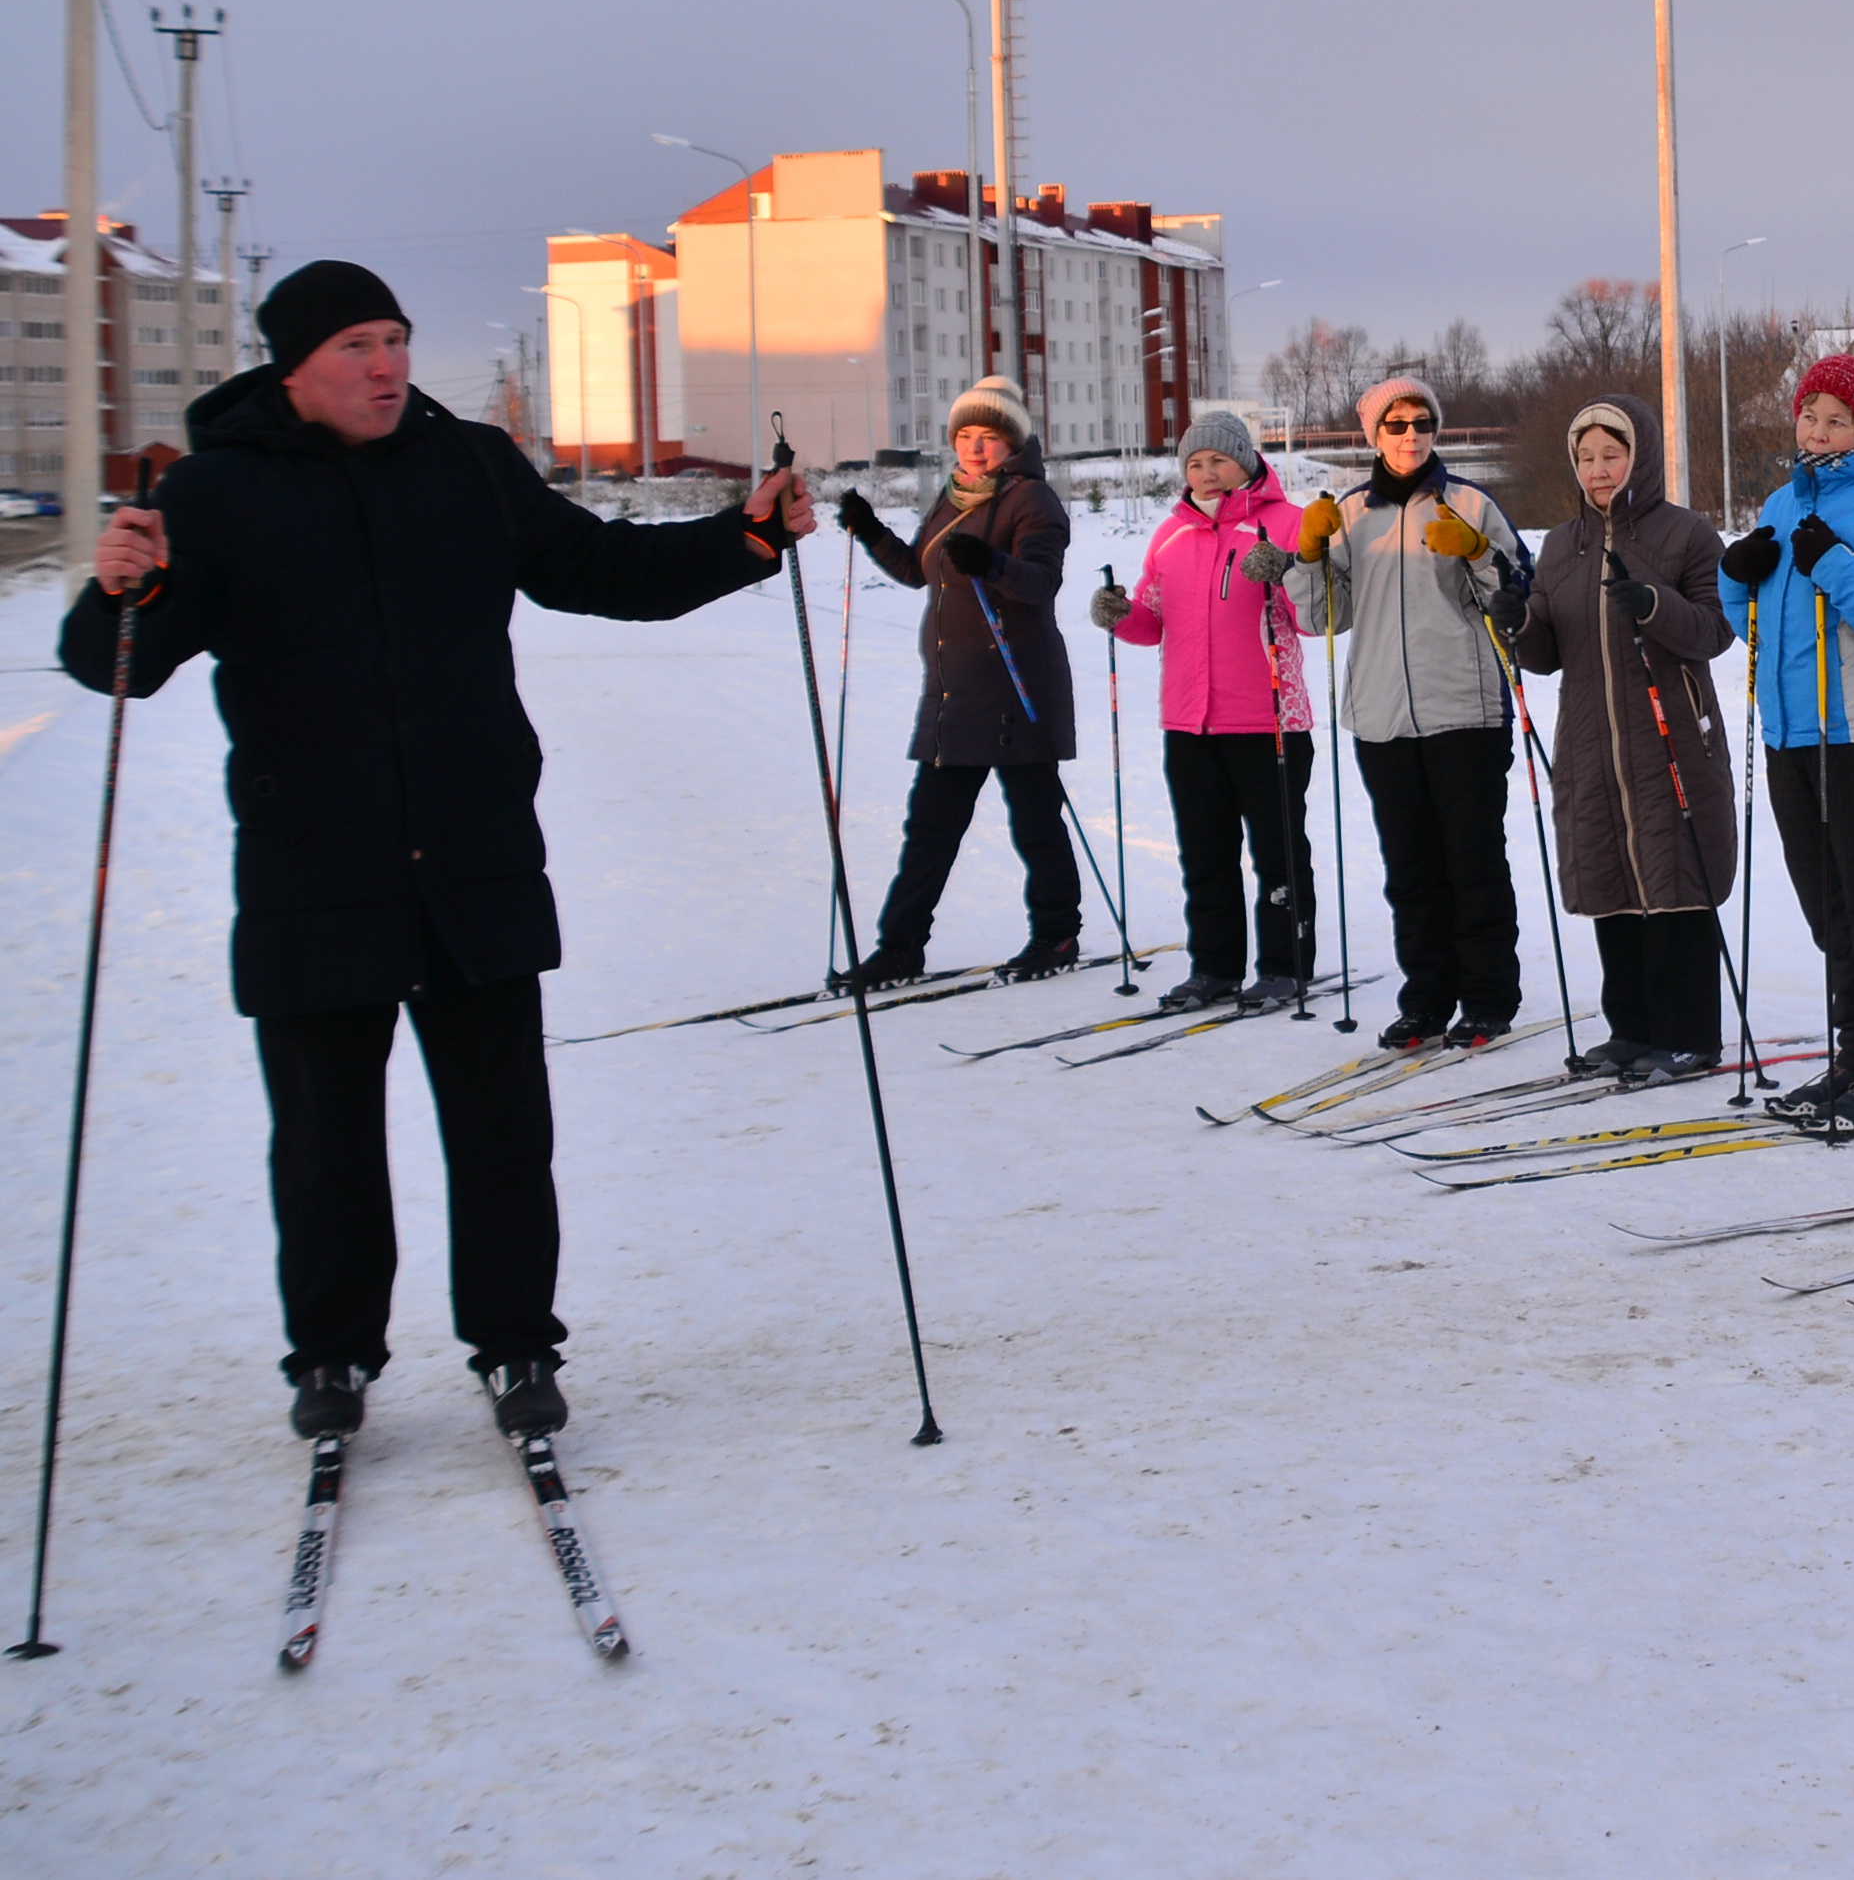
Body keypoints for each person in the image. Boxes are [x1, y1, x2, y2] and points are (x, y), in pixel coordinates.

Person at [58, 260, 808, 1440]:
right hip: (315, 869)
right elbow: (127, 660)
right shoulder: (212, 494)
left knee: (503, 1129)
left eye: (398, 338)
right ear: (293, 365)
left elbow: (603, 572)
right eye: (358, 344)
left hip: (473, 858)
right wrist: (118, 596)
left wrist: (747, 541)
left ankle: (515, 1349)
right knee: (324, 1143)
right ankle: (333, 1358)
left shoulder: (470, 466)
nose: (389, 363)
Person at [1272, 377, 1527, 1050]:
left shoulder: (1469, 501)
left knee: (1472, 862)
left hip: (1464, 711)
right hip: (1383, 718)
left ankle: (1488, 998)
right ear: (1374, 434)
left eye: (1421, 422)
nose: (1410, 434)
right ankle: (1426, 999)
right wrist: (1307, 555)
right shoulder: (1351, 511)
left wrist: (1477, 552)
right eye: (1396, 424)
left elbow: (1517, 594)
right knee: (1410, 867)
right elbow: (1325, 615)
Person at [1724, 354, 1854, 1134]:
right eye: (1810, 414)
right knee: (1830, 912)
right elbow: (1751, 620)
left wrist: (1833, 564)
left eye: (1836, 418)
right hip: (1789, 732)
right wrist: (1733, 577)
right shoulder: (1782, 503)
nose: (1819, 430)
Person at [1500, 395, 1736, 1080]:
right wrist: (1518, 622)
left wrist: (1654, 604)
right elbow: (1546, 649)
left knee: (1676, 881)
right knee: (1612, 881)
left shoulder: (1687, 534)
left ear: (1642, 456)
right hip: (1591, 737)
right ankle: (1630, 1029)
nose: (1598, 469)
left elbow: (1714, 630)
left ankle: (1691, 1034)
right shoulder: (1561, 544)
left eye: (1611, 453)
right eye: (1585, 457)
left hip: (1672, 737)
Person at [831, 376, 1081, 987]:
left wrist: (992, 563)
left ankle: (1056, 933)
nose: (974, 448)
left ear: (1012, 442)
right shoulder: (952, 498)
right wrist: (868, 530)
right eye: (965, 436)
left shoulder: (1031, 501)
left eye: (989, 437)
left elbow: (1040, 583)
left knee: (1034, 819)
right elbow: (919, 571)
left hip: (1016, 688)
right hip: (953, 691)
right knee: (929, 824)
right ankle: (900, 948)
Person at [1094, 411, 1314, 1012]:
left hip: (1268, 718)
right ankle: (1213, 967)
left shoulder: (1286, 525)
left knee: (1277, 851)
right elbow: (1152, 619)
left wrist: (1290, 573)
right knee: (1204, 852)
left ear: (1244, 462)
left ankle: (1284, 966)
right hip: (1189, 722)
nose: (1207, 474)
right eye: (1195, 463)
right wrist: (1120, 613)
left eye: (1219, 460)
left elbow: (1313, 617)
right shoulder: (1171, 536)